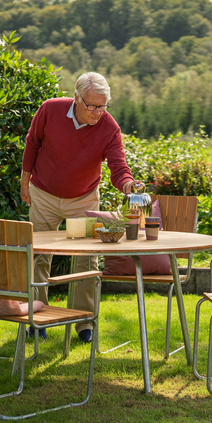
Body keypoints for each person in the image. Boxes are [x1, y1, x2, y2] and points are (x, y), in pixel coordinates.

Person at [20, 72, 142, 343]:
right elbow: (33, 143)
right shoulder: (50, 110)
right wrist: (24, 181)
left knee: (85, 259)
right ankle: (37, 319)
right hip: (44, 195)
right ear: (76, 98)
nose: (98, 112)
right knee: (38, 256)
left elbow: (118, 167)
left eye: (103, 106)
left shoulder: (109, 127)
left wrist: (129, 185)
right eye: (92, 106)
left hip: (84, 198)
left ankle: (84, 322)